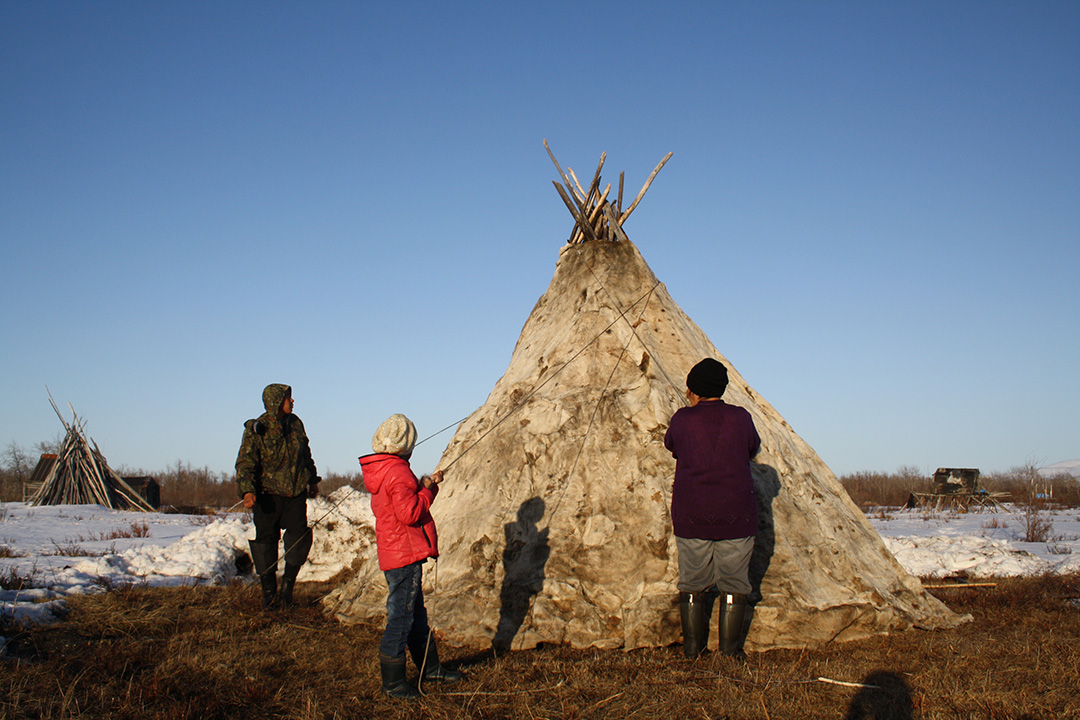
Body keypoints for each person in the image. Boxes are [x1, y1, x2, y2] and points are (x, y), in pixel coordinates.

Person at [361, 413, 463, 699]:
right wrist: (429, 491)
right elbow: (410, 513)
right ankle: (393, 683)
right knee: (402, 618)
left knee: (415, 614)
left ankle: (430, 669)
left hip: (395, 551)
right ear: (406, 444)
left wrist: (423, 486)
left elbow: (399, 504)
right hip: (403, 554)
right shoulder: (398, 472)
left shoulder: (383, 470)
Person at [664, 358, 761, 658]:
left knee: (693, 582)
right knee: (734, 582)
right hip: (737, 515)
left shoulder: (682, 419)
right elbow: (752, 447)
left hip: (692, 513)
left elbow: (672, 446)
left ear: (694, 388)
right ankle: (731, 651)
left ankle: (694, 649)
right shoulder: (740, 417)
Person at [235, 383, 321, 609]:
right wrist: (247, 490)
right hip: (267, 497)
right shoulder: (257, 428)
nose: (292, 402)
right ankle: (269, 595)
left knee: (300, 539)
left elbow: (306, 454)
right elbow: (246, 462)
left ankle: (286, 590)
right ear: (276, 401)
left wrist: (312, 480)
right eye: (288, 398)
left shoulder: (296, 424)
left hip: (294, 495)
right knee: (266, 543)